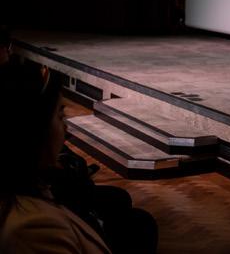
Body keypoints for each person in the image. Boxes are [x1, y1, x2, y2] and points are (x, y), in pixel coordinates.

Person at [0, 62, 157, 253]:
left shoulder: (28, 187)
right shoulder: (34, 229)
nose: (66, 128)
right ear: (35, 129)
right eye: (60, 116)